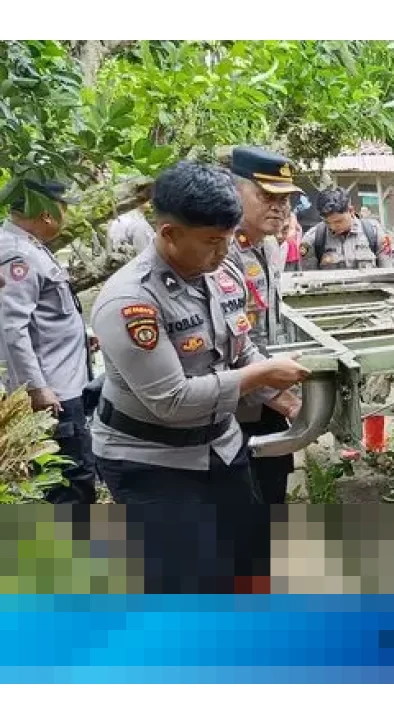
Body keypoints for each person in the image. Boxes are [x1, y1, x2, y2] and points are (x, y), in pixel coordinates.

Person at [90, 161, 309, 591]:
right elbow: (171, 401)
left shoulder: (223, 273)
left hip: (220, 447)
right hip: (150, 461)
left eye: (227, 239)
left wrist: (281, 394)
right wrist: (260, 376)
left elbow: (240, 347)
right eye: (211, 242)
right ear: (169, 233)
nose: (224, 252)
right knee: (187, 582)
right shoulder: (130, 301)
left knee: (250, 558)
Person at [0, 179, 98, 504]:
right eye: (64, 209)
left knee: (72, 476)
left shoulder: (30, 246)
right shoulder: (16, 253)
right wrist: (35, 387)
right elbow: (11, 327)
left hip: (64, 384)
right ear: (47, 212)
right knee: (70, 481)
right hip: (52, 393)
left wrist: (84, 340)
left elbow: (47, 316)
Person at [223, 146, 303, 504]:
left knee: (272, 483)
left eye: (285, 198)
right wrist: (282, 400)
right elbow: (229, 344)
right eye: (267, 195)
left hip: (264, 395)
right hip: (232, 405)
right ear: (234, 191)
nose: (279, 206)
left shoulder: (269, 246)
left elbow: (267, 322)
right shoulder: (220, 253)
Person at [299, 188, 393, 271]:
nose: (333, 227)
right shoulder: (312, 239)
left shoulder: (374, 231)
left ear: (351, 211)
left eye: (339, 221)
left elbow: (387, 274)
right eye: (327, 223)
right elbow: (310, 281)